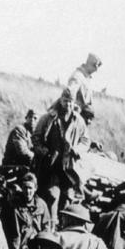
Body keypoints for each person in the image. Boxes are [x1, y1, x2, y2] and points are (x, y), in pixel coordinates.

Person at [33, 94, 90, 225]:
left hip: (69, 166)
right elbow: (36, 138)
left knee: (68, 196)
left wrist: (78, 150)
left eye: (70, 102)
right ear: (60, 101)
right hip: (50, 164)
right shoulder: (48, 117)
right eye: (65, 101)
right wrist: (44, 152)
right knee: (51, 195)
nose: (68, 105)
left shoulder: (78, 120)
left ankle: (65, 227)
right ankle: (50, 225)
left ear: (74, 102)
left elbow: (86, 140)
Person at [0, 173, 52, 249]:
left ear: (35, 188)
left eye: (30, 188)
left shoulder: (41, 205)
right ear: (21, 188)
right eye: (25, 188)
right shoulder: (14, 205)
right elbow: (13, 232)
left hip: (37, 248)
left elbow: (46, 227)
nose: (28, 191)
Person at [61, 53, 102, 124]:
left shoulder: (86, 78)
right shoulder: (78, 76)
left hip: (82, 119)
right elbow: (68, 94)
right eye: (95, 67)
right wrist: (74, 110)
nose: (96, 70)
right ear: (88, 64)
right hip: (74, 118)